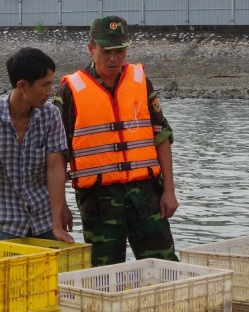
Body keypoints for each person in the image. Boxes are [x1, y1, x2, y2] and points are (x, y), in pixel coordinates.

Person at [55, 16, 177, 266]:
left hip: (146, 196)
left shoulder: (141, 82)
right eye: (106, 51)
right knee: (104, 274)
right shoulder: (71, 90)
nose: (114, 58)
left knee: (165, 266)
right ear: (91, 48)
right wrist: (60, 206)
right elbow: (57, 155)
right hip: (98, 202)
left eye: (120, 51)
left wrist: (169, 190)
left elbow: (161, 137)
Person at [0, 47, 73, 242]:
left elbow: (55, 169)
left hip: (46, 220)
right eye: (45, 85)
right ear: (23, 86)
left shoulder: (51, 115)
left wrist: (58, 221)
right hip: (7, 223)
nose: (49, 93)